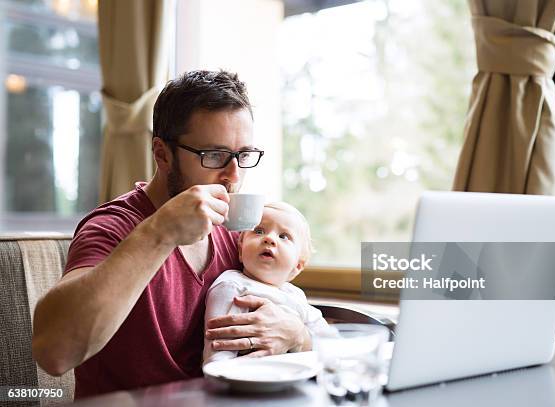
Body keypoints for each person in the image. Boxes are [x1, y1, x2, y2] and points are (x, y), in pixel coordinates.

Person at [31, 70, 312, 398]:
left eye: (243, 156)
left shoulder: (235, 234)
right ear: (163, 153)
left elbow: (282, 319)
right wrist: (161, 232)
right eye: (216, 155)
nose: (234, 176)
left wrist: (297, 334)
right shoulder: (113, 227)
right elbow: (53, 353)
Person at [203, 202, 336, 365]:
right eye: (258, 231)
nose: (269, 238)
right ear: (240, 250)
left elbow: (331, 344)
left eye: (284, 236)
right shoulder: (231, 286)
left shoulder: (296, 295)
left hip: (293, 379)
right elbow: (217, 354)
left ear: (297, 266)